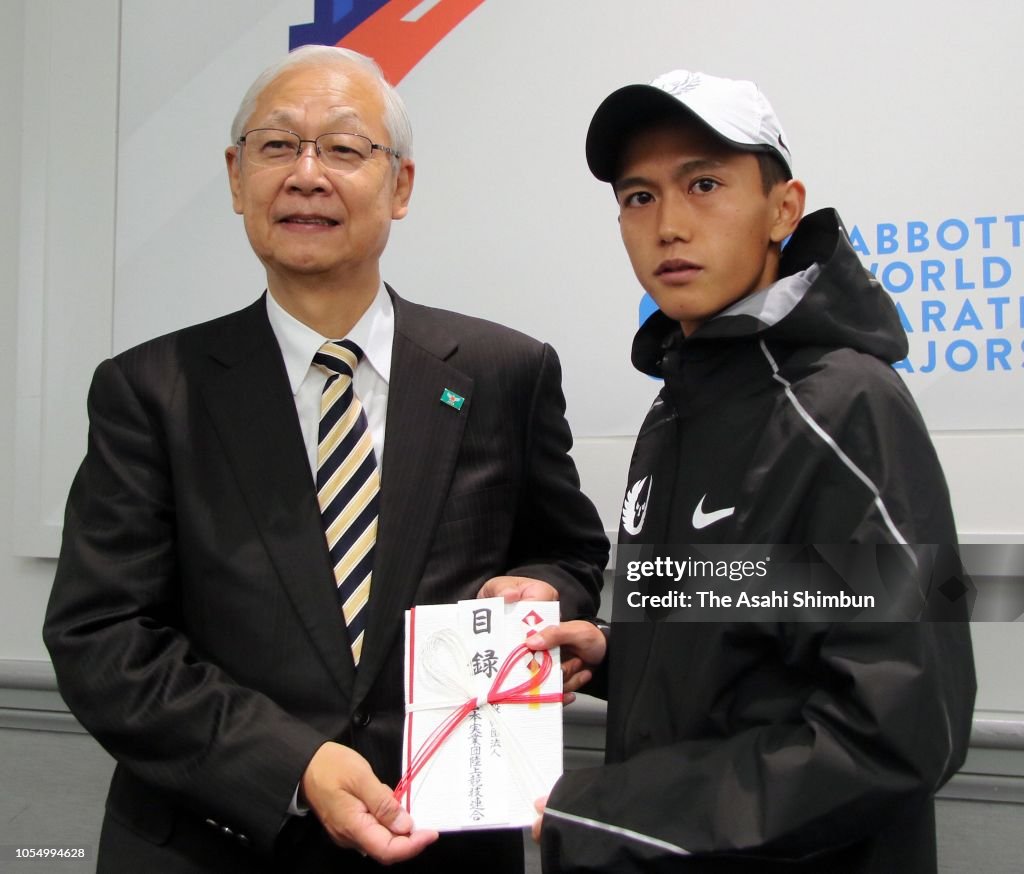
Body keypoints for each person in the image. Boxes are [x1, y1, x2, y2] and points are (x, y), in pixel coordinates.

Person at [43, 45, 607, 874]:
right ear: (236, 179)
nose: (307, 174)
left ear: (401, 185)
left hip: (445, 842)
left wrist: (544, 590)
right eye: (276, 146)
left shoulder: (502, 372)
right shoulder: (151, 391)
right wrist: (292, 765)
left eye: (344, 149)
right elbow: (102, 639)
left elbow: (571, 552)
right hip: (213, 842)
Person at [527, 70, 976, 873]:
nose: (668, 226)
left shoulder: (843, 405)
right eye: (639, 197)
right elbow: (762, 625)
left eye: (704, 184)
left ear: (783, 207)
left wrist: (613, 815)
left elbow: (896, 732)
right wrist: (614, 653)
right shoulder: (678, 403)